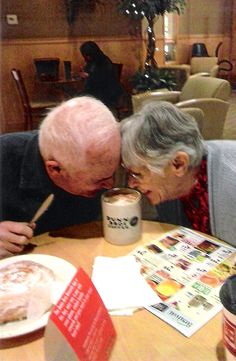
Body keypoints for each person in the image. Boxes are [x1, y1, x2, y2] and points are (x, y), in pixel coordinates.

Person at [0, 96, 121, 258]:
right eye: (99, 181)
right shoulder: (4, 158)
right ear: (55, 169)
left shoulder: (100, 157)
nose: (111, 186)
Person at [120, 101, 236, 247]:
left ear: (179, 164)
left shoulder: (230, 184)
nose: (131, 184)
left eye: (137, 174)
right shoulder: (170, 186)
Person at [78, 41, 124, 108]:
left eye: (88, 55)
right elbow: (89, 71)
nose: (87, 58)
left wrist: (88, 76)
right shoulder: (92, 61)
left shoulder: (104, 61)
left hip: (106, 93)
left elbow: (104, 79)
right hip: (95, 91)